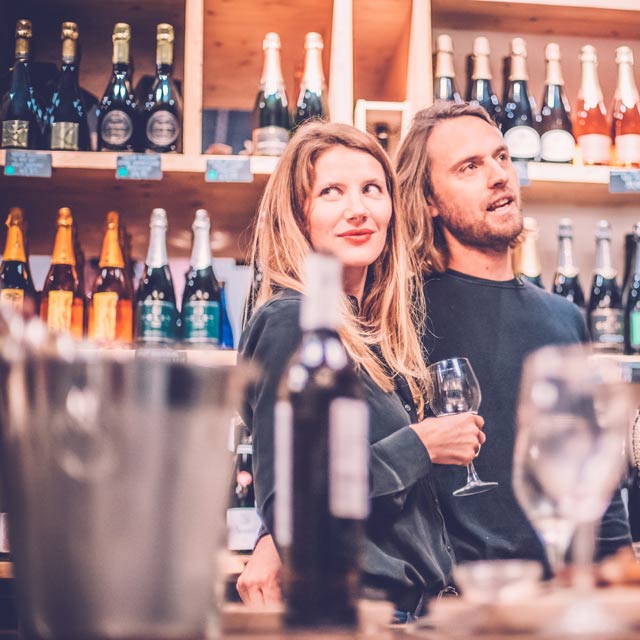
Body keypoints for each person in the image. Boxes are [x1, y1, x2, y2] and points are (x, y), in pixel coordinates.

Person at [237, 121, 485, 615]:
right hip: (362, 614)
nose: (358, 209)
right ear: (299, 214)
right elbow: (293, 504)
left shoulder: (365, 334)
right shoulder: (291, 321)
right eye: (331, 192)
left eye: (372, 189)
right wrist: (421, 444)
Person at [395, 100, 631, 569]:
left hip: (556, 601)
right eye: (469, 166)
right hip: (452, 609)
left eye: (501, 157)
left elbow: (590, 477)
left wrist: (620, 568)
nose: (498, 175)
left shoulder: (564, 317)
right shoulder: (400, 315)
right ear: (429, 200)